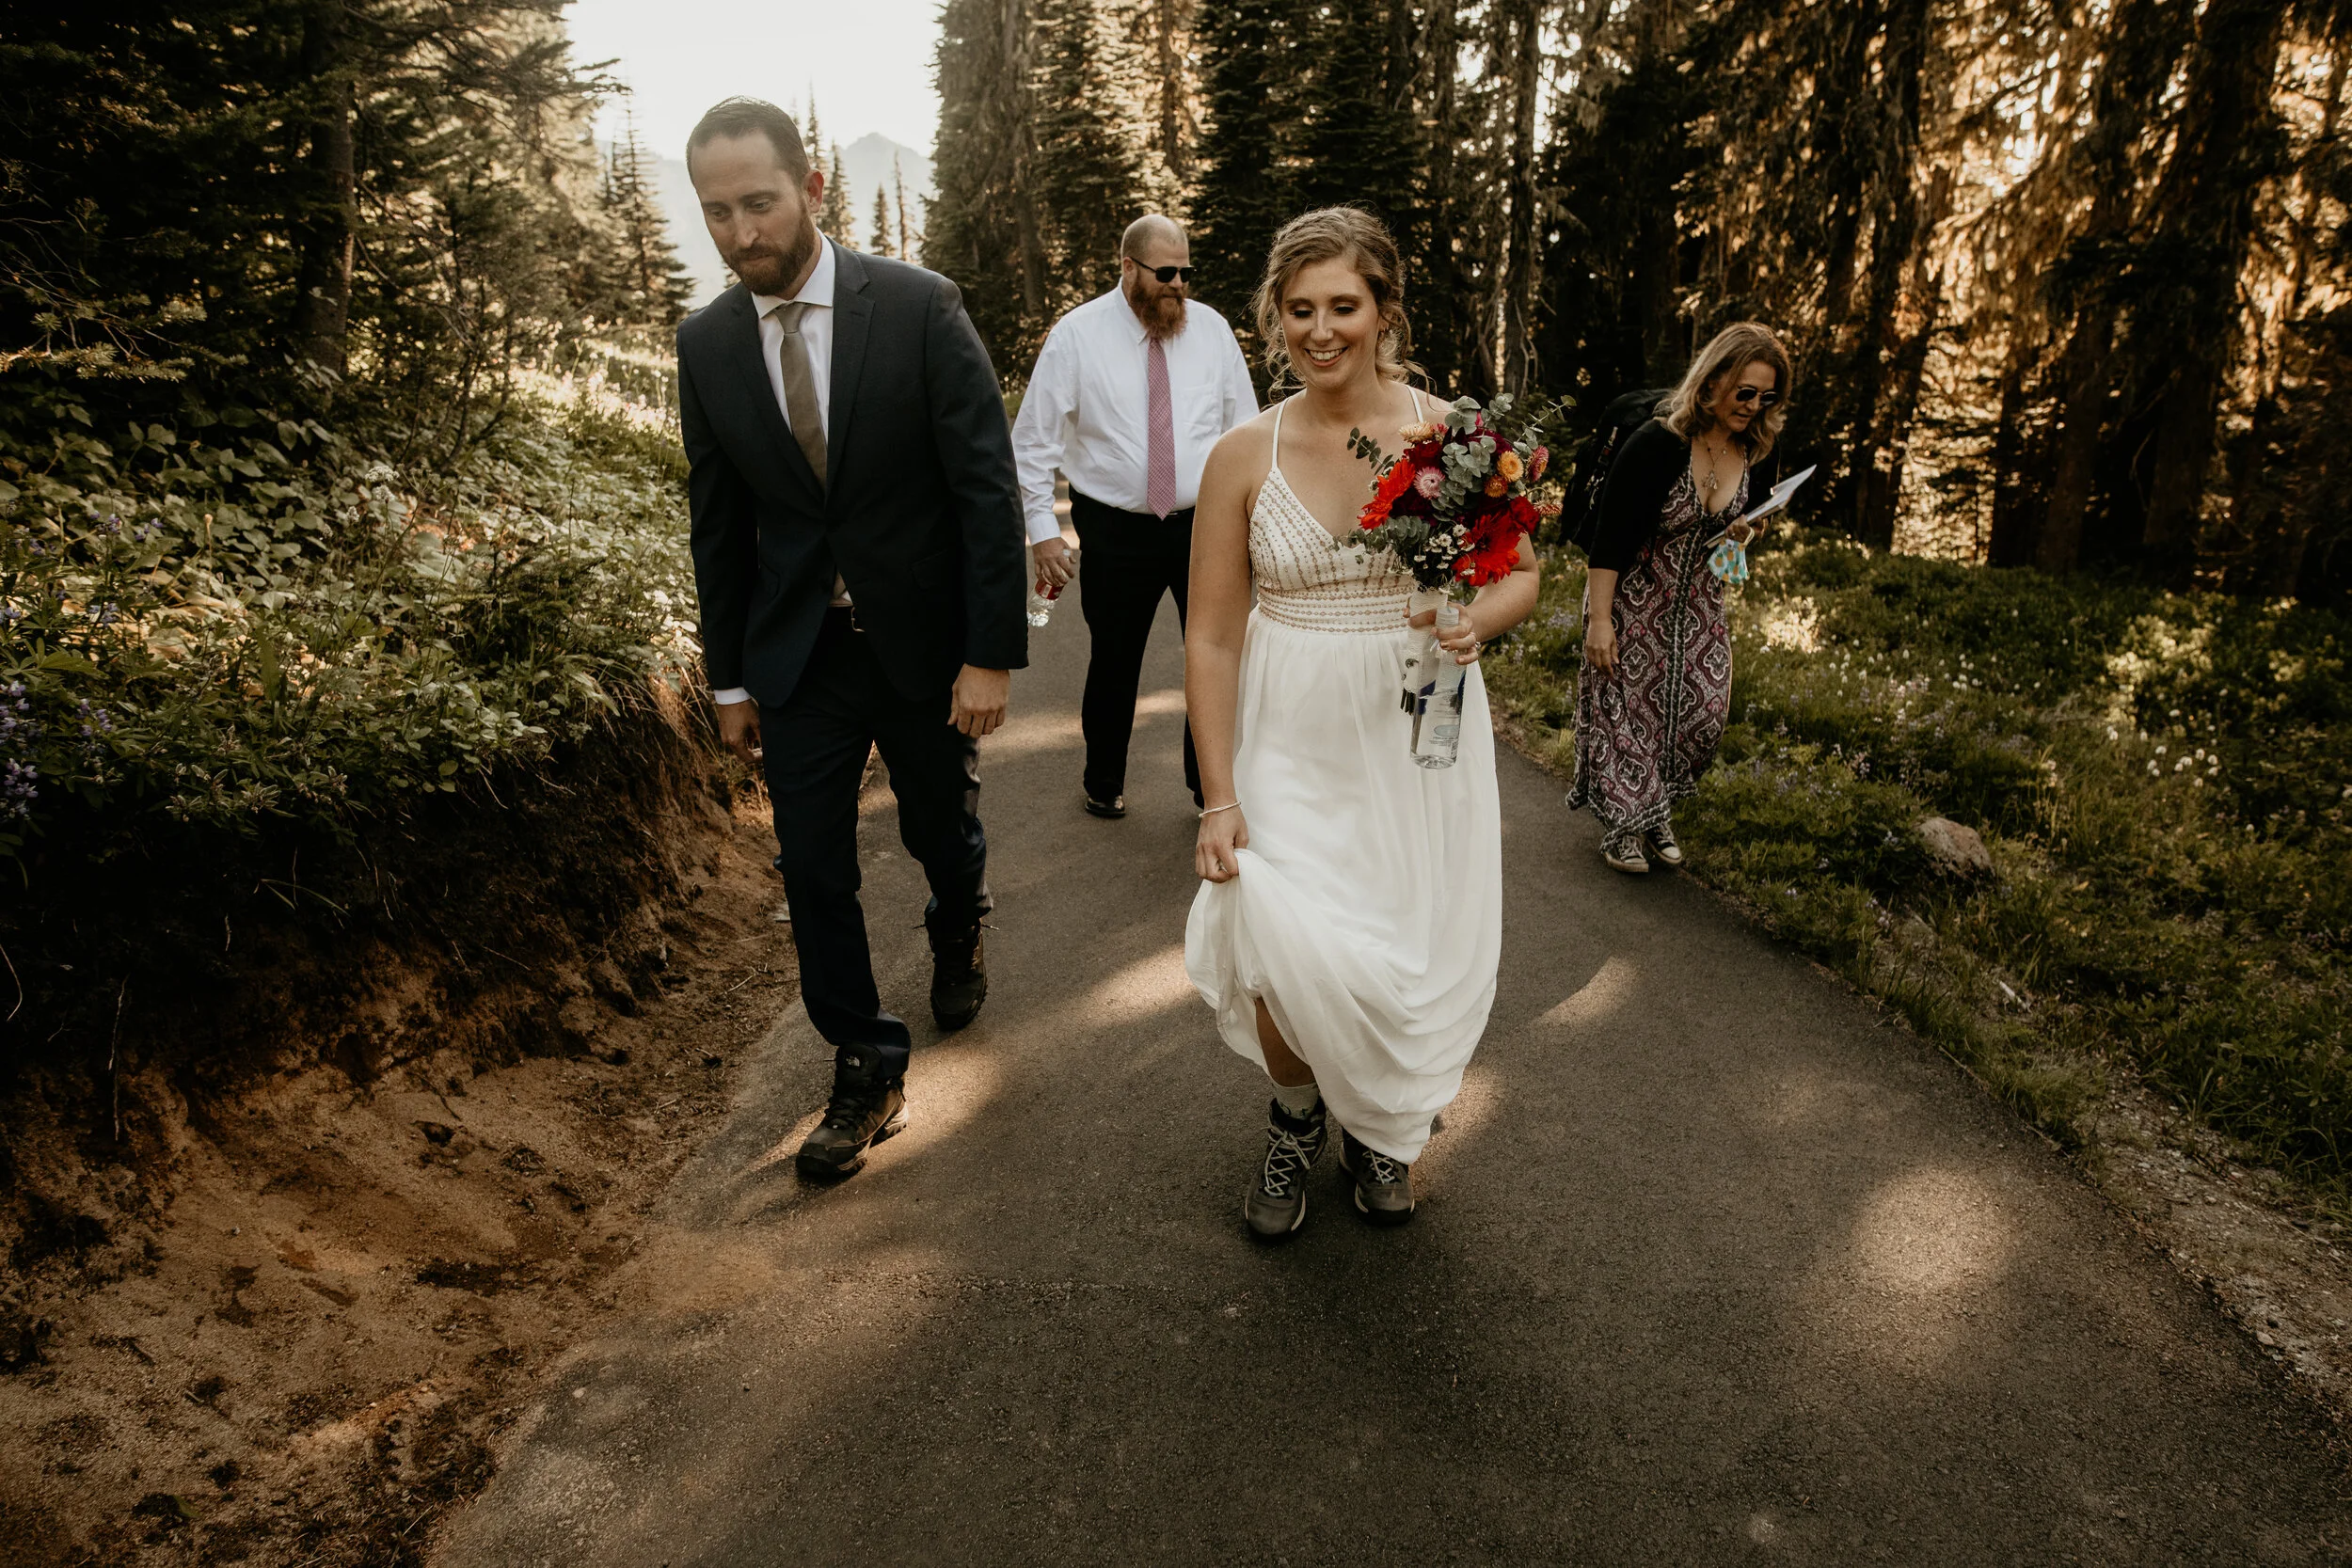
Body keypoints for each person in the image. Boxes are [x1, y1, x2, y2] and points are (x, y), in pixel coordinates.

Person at [676, 98, 1027, 1180]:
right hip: (799, 658)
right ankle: (867, 1062)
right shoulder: (706, 344)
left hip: (920, 646)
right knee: (814, 866)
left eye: (761, 203)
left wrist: (989, 652)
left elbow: (982, 489)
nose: (743, 232)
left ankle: (958, 913)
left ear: (813, 189)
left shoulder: (919, 308)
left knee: (936, 823)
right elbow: (718, 525)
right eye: (718, 211)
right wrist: (728, 679)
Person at [1184, 208, 1539, 1239]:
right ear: (1275, 318)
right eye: (1300, 309)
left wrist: (1474, 618)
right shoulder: (1240, 456)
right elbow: (1209, 638)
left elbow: (1522, 574)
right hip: (1288, 731)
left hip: (1414, 731)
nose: (1321, 328)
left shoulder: (1459, 439)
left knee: (1398, 941)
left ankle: (1384, 1125)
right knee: (1284, 928)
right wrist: (1218, 794)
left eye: (1344, 305)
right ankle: (1295, 1118)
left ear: (1384, 311)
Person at [1012, 214, 1258, 817]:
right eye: (1166, 272)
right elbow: (1032, 444)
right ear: (1128, 267)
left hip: (1205, 525)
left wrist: (1255, 525)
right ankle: (1103, 781)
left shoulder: (1213, 331)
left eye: (1186, 273)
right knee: (1115, 657)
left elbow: (1247, 431)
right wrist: (1044, 534)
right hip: (1114, 527)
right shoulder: (1077, 336)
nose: (1178, 285)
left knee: (1212, 653)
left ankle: (1209, 789)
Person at [1566, 322, 1791, 874]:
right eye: (1745, 392)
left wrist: (1747, 530)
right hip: (1634, 598)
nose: (1754, 406)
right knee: (1632, 714)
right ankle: (1625, 824)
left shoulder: (1757, 447)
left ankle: (1655, 805)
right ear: (1714, 380)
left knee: (1703, 716)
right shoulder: (1658, 443)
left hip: (1701, 607)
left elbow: (1740, 525)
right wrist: (1601, 620)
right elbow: (1609, 537)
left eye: (1767, 397)